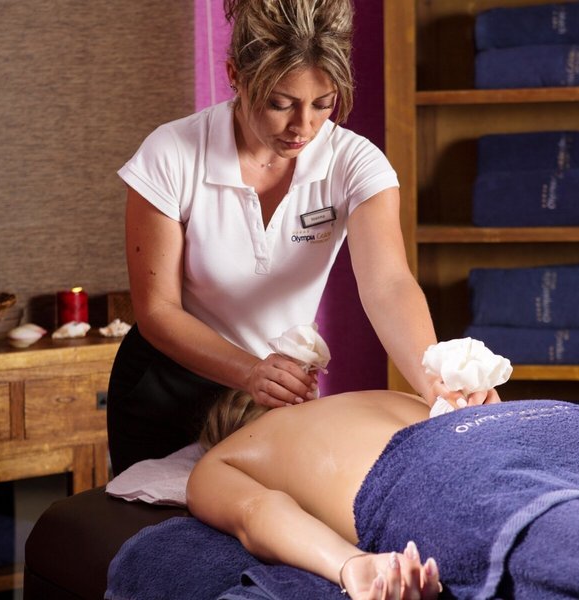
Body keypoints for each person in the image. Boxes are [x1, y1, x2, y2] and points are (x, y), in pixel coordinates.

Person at [107, 0, 499, 476]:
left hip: (272, 394)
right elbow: (157, 310)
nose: (304, 127)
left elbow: (388, 284)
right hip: (167, 387)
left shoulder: (354, 163)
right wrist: (249, 371)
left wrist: (434, 379)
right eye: (280, 103)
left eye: (322, 104)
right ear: (235, 76)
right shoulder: (171, 154)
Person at [186, 389, 579, 600]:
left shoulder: (222, 458)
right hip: (557, 420)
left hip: (441, 465)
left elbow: (258, 512)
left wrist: (352, 567)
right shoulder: (378, 394)